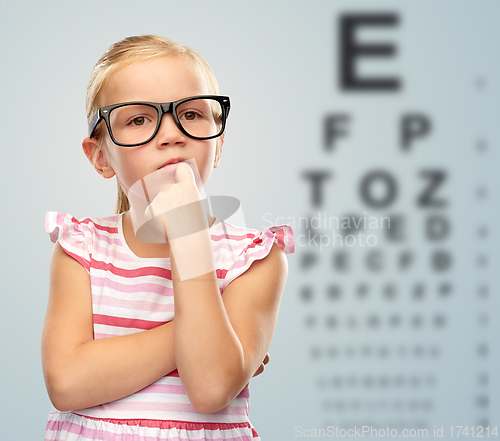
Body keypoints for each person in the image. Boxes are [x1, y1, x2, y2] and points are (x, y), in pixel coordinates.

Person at [41, 34, 295, 440]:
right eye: (138, 119)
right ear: (100, 157)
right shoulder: (81, 248)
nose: (171, 134)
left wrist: (189, 235)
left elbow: (211, 387)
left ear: (219, 141)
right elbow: (67, 384)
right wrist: (207, 331)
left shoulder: (254, 258)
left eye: (191, 114)